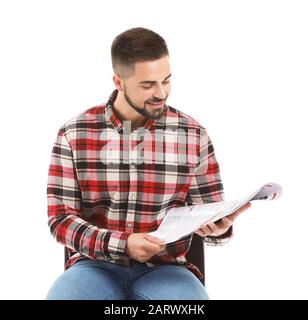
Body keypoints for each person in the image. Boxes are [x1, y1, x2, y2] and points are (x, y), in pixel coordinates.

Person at [46, 27, 251, 300]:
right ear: (118, 81)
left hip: (167, 270)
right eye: (147, 85)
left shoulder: (193, 134)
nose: (161, 93)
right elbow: (60, 221)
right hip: (94, 266)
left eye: (166, 80)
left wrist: (220, 228)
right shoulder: (74, 133)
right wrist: (123, 244)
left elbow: (209, 217)